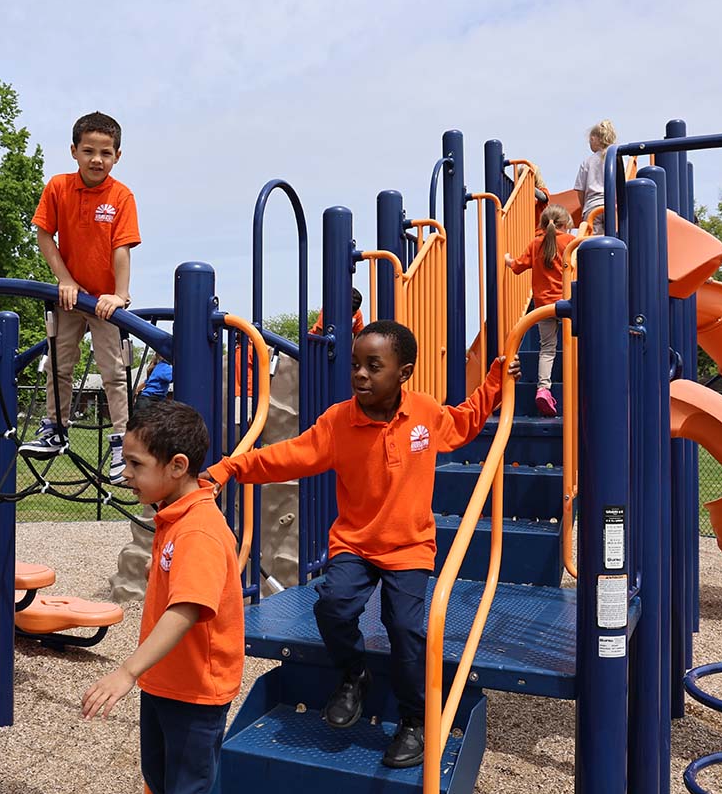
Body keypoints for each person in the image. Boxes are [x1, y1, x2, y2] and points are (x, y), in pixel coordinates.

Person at [205, 320, 519, 769]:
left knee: (406, 628)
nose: (360, 375)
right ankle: (354, 674)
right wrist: (230, 468)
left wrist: (494, 383)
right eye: (356, 365)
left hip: (410, 547)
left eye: (374, 366)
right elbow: (289, 454)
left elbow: (464, 424)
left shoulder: (425, 414)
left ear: (403, 373)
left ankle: (414, 720)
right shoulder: (339, 421)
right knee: (333, 604)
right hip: (355, 542)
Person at [82, 400, 244, 794]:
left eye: (135, 464)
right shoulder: (173, 516)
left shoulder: (198, 530)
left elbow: (185, 610)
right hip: (164, 682)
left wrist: (126, 671)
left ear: (176, 466)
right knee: (161, 781)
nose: (126, 475)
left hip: (195, 693)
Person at [21, 111, 140, 483]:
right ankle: (55, 427)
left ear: (117, 156)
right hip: (70, 297)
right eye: (88, 150)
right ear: (74, 151)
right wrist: (65, 280)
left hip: (104, 302)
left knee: (114, 372)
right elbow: (44, 236)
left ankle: (124, 441)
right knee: (57, 363)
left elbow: (122, 248)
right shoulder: (58, 187)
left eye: (105, 153)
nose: (96, 160)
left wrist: (119, 295)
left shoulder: (121, 196)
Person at [505, 203, 575, 418]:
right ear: (565, 224)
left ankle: (543, 388)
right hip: (568, 304)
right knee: (574, 343)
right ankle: (581, 383)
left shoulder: (536, 244)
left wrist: (507, 259)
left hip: (543, 306)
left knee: (547, 349)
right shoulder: (572, 243)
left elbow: (517, 266)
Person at [575, 119, 617, 235]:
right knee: (615, 236)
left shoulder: (587, 162)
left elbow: (580, 190)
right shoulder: (616, 158)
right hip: (613, 205)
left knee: (594, 242)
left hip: (592, 207)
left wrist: (584, 206)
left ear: (593, 139)